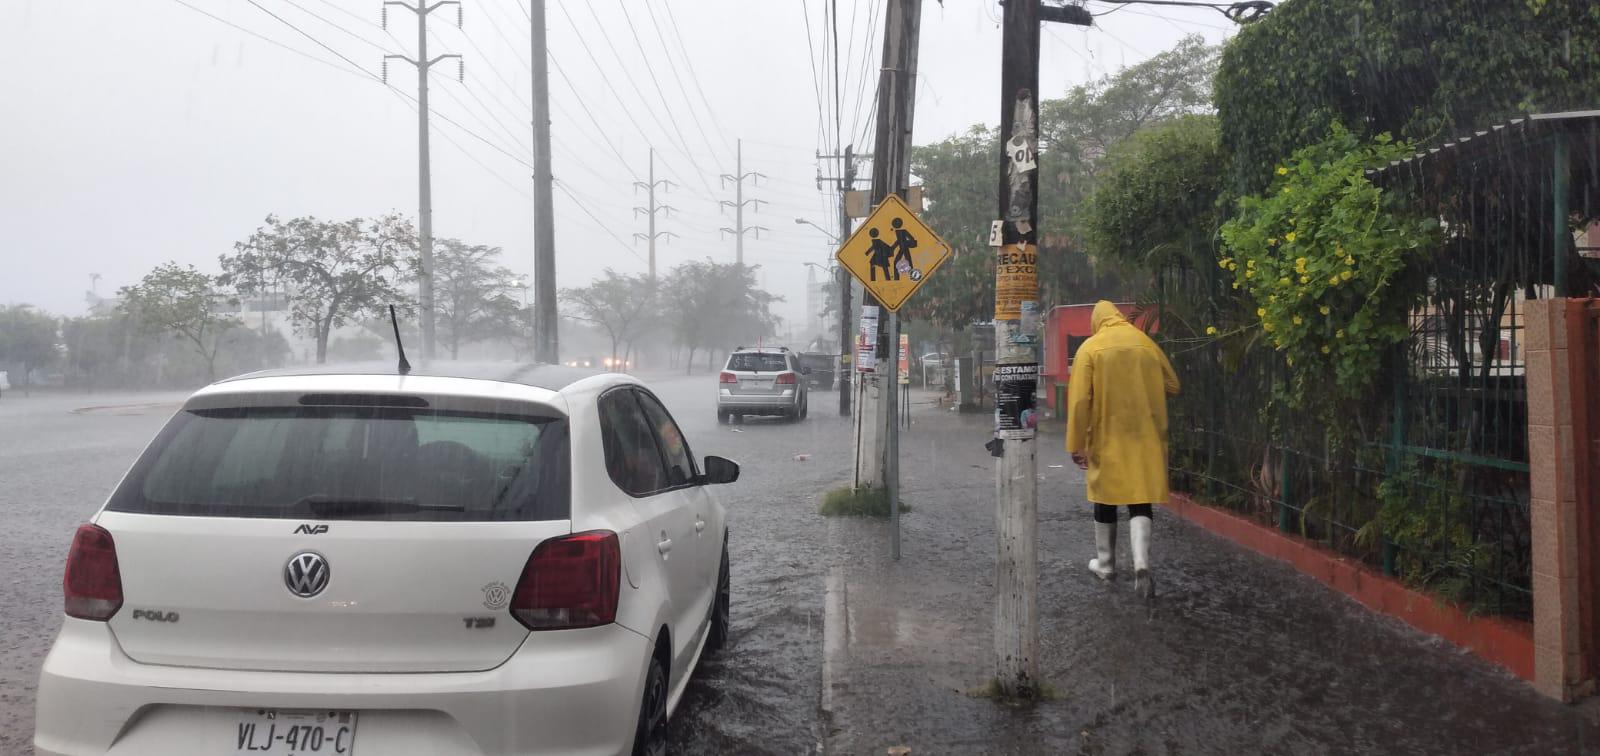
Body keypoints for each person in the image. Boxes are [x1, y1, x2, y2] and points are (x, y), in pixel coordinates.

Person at [1064, 300, 1180, 598]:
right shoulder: (1145, 344)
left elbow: (1078, 402)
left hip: (1107, 436)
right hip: (1144, 436)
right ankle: (1141, 563)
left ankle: (1106, 565)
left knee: (1106, 497)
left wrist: (1076, 444)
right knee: (1139, 498)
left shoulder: (1091, 348)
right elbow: (1173, 385)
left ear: (1097, 321)